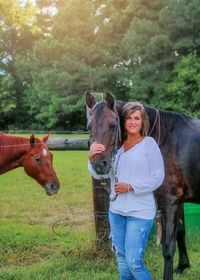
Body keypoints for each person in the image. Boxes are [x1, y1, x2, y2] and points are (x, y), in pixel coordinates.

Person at [88, 102, 165, 280]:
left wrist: (131, 186)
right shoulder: (118, 148)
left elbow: (158, 176)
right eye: (129, 118)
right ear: (123, 122)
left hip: (140, 212)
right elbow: (101, 175)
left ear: (142, 121)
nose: (132, 122)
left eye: (136, 118)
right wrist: (91, 158)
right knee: (122, 260)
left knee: (134, 262)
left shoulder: (149, 144)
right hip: (116, 212)